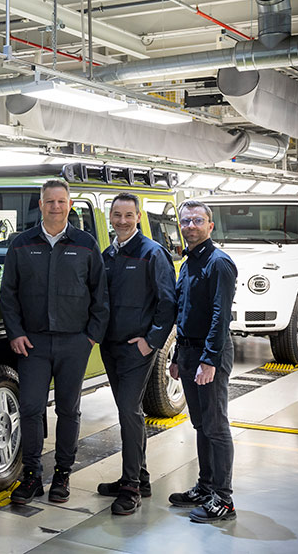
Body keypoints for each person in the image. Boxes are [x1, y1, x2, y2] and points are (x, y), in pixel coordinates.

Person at [0, 178, 108, 505]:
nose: (56, 207)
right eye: (50, 202)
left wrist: (91, 337)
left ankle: (63, 474)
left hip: (74, 343)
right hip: (32, 345)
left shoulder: (86, 244)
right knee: (31, 408)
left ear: (70, 205)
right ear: (40, 205)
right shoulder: (21, 244)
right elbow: (9, 294)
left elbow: (100, 295)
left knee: (69, 410)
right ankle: (31, 475)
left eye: (62, 202)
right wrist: (16, 332)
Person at [96, 192, 177, 515]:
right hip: (110, 346)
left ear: (139, 217)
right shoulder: (107, 255)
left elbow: (168, 302)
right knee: (126, 411)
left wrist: (150, 341)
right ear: (110, 218)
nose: (122, 221)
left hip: (136, 349)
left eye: (128, 215)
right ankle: (139, 476)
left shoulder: (152, 253)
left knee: (129, 411)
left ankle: (130, 487)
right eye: (117, 215)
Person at [168, 199, 238, 523]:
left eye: (197, 221)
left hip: (210, 355)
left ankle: (223, 499)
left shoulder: (218, 263)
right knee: (200, 425)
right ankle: (206, 485)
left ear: (210, 226)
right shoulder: (189, 262)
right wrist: (175, 356)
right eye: (186, 221)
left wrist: (208, 360)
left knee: (215, 426)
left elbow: (219, 317)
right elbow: (184, 312)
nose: (191, 226)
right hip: (188, 353)